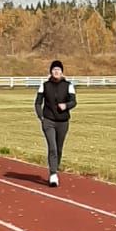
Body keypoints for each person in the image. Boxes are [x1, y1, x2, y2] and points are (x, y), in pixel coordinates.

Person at [35, 59, 76, 187]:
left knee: (58, 148)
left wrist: (66, 105)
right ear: (51, 72)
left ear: (62, 72)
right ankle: (53, 174)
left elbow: (74, 101)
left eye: (58, 70)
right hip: (49, 121)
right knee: (52, 147)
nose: (56, 71)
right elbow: (37, 103)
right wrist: (41, 117)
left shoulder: (68, 85)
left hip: (63, 122)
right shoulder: (45, 85)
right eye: (54, 70)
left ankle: (55, 169)